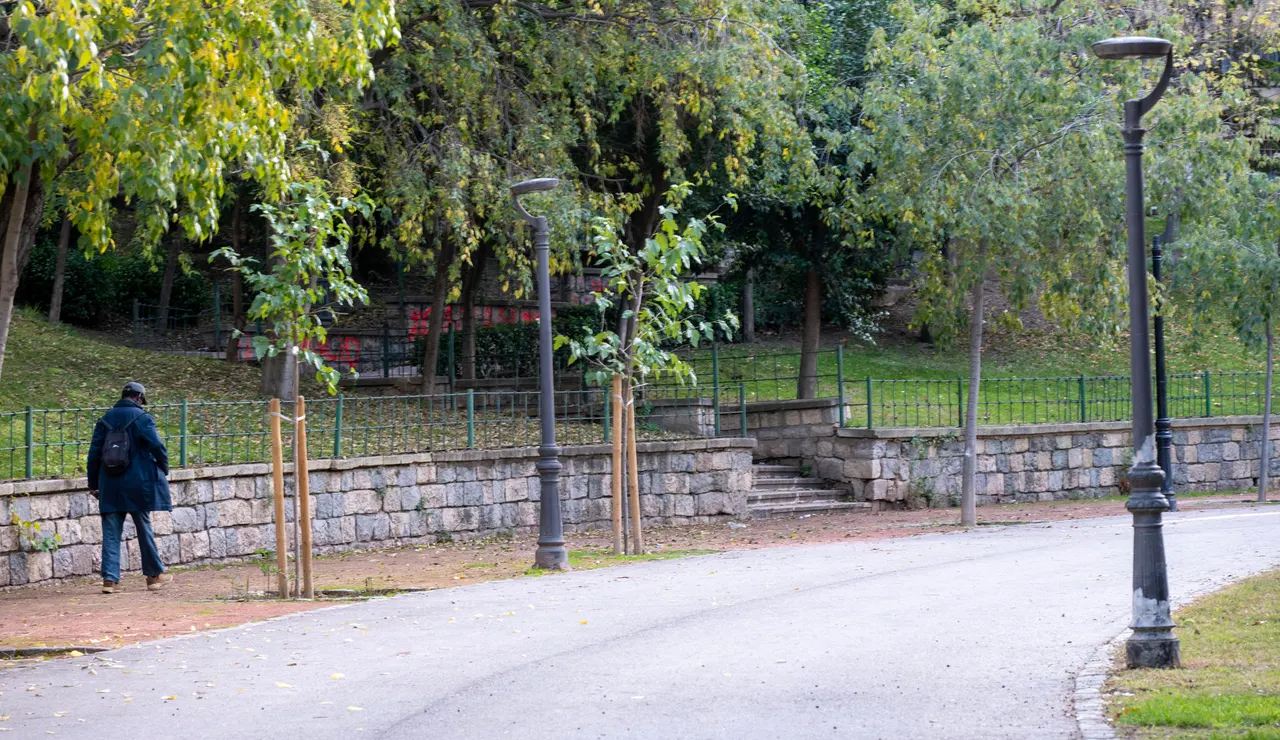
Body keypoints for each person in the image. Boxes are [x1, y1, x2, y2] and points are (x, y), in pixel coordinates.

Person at [87, 382, 173, 594]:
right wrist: (164, 468)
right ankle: (153, 577)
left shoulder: (105, 420)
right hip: (138, 483)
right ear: (139, 398)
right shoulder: (143, 418)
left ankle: (110, 580)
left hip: (110, 484)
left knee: (110, 531)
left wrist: (93, 484)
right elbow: (157, 446)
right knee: (144, 528)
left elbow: (94, 454)